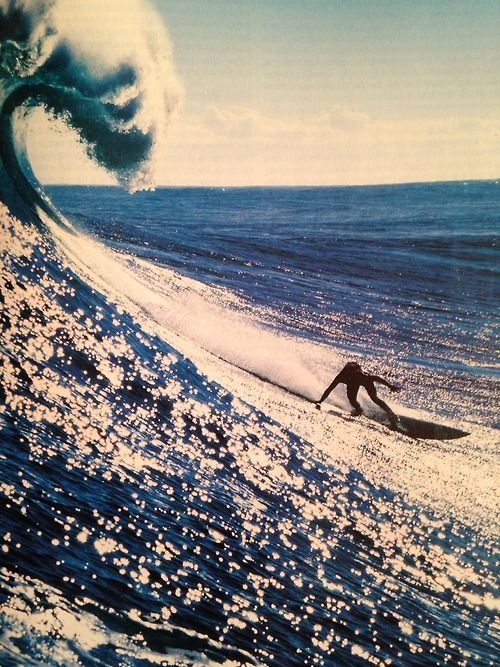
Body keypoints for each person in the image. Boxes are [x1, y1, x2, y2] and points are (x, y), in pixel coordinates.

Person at [316, 361, 400, 427]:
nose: (355, 373)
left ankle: (391, 414)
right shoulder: (341, 376)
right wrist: (320, 401)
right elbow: (329, 389)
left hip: (365, 382)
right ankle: (358, 409)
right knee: (352, 400)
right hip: (352, 384)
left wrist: (390, 386)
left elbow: (376, 378)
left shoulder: (361, 376)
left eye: (356, 372)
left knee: (374, 399)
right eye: (353, 373)